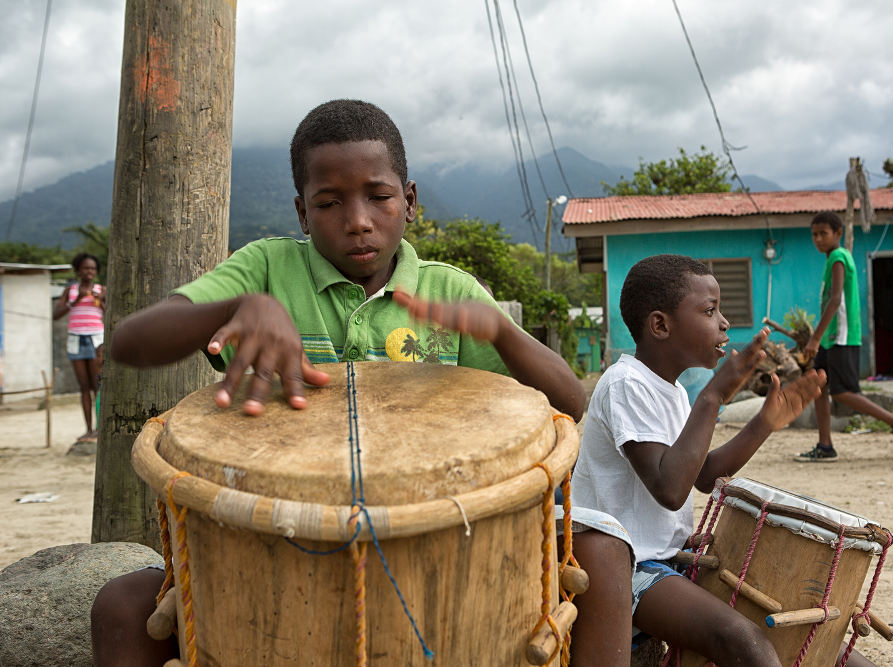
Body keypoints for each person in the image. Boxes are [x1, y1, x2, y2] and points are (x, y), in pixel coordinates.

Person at [92, 99, 585, 666]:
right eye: (329, 203)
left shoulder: (448, 292)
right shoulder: (267, 270)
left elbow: (570, 404)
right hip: (273, 540)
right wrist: (237, 306)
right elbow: (130, 343)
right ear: (303, 214)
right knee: (121, 606)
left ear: (411, 201)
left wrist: (500, 331)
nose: (358, 219)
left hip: (430, 546)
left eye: (379, 197)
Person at [570, 254, 830, 666]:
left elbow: (703, 475)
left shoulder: (671, 392)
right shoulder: (625, 384)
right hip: (627, 571)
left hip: (667, 562)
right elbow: (670, 488)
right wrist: (713, 396)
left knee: (802, 631)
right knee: (745, 642)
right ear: (660, 325)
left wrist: (763, 425)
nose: (724, 323)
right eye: (710, 311)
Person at [795, 211, 893, 463]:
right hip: (831, 338)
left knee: (842, 392)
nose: (818, 239)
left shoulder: (839, 257)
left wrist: (814, 338)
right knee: (817, 386)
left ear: (838, 234)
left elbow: (835, 300)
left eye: (823, 234)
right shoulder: (834, 259)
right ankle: (825, 445)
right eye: (814, 235)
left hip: (840, 337)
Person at [53, 252, 105, 442]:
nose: (89, 271)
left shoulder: (101, 290)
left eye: (92, 268)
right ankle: (88, 429)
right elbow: (56, 314)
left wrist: (102, 300)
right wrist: (76, 300)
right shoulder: (70, 291)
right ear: (78, 270)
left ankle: (100, 429)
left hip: (96, 340)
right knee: (84, 387)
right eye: (86, 268)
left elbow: (110, 312)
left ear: (96, 271)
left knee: (97, 386)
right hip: (76, 339)